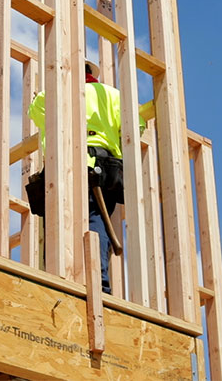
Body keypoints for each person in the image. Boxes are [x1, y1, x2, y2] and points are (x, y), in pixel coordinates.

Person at [26, 60, 145, 294]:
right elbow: (136, 128)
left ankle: (55, 279)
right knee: (96, 221)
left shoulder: (48, 95)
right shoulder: (113, 95)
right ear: (91, 73)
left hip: (61, 167)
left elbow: (36, 115)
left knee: (58, 222)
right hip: (102, 168)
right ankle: (98, 284)